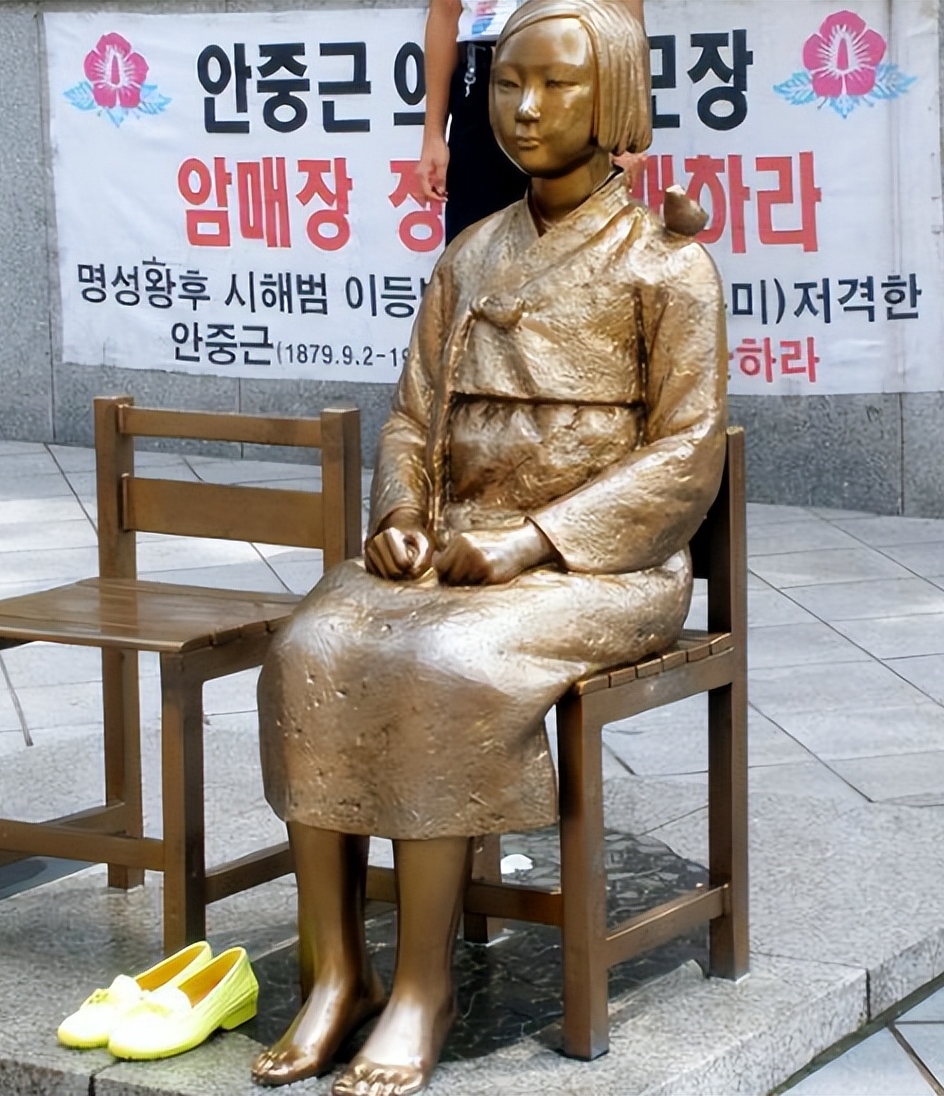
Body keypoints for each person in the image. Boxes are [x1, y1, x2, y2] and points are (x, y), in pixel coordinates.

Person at [251, 2, 727, 1093]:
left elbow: (686, 456)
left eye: (557, 85)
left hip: (604, 568)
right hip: (458, 547)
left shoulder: (667, 264)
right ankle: (336, 975)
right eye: (507, 82)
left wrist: (531, 540)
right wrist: (401, 514)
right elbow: (412, 417)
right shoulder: (470, 252)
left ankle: (422, 982)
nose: (522, 108)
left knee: (442, 665)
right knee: (312, 644)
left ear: (609, 97)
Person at [417, 0, 645, 242]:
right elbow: (445, 12)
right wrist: (433, 135)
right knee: (473, 255)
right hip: (482, 76)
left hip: (574, 67)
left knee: (580, 253)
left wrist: (627, 127)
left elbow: (625, 12)